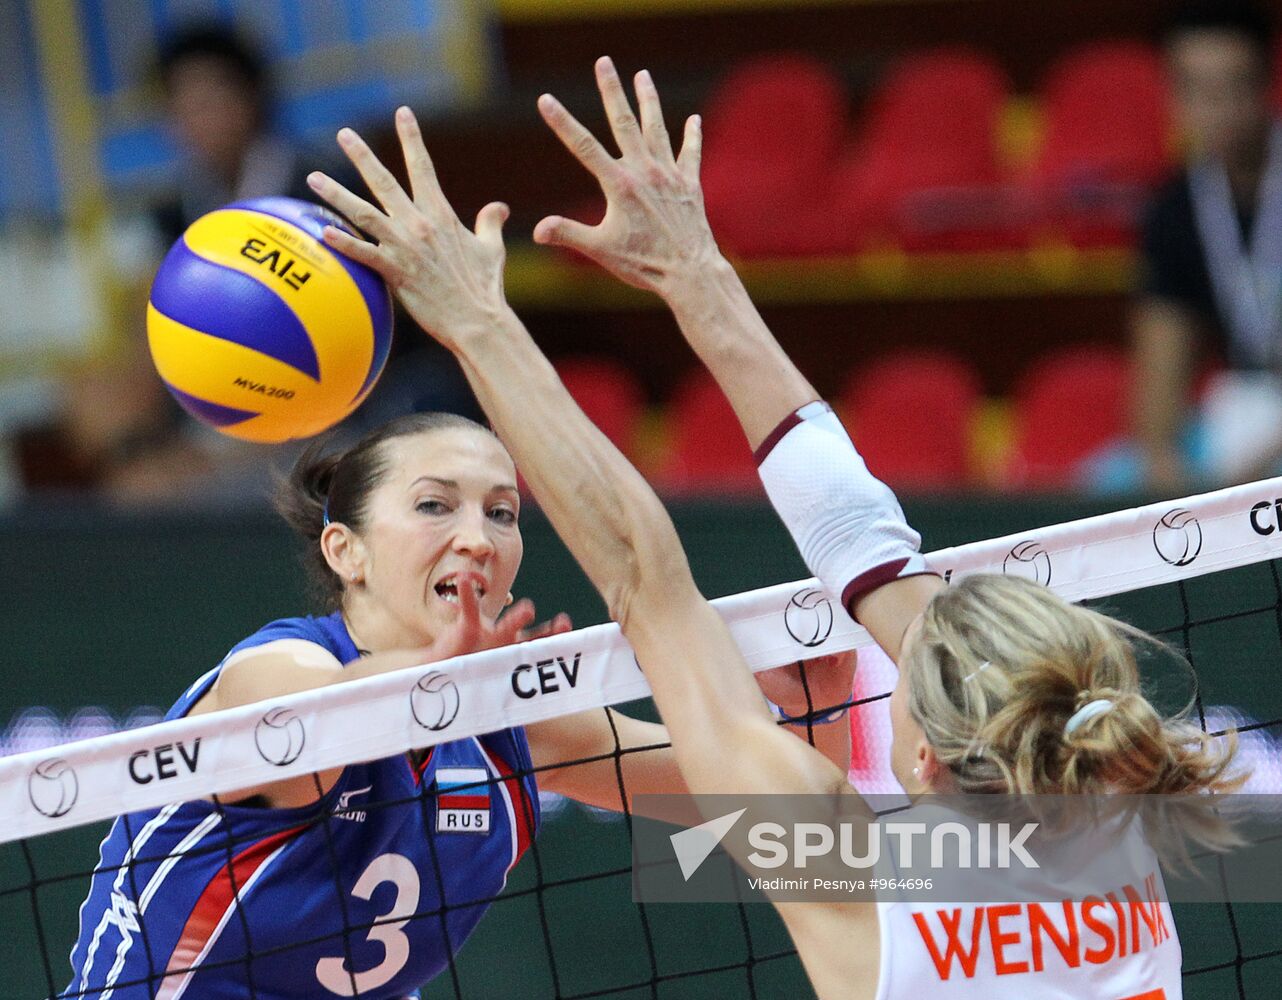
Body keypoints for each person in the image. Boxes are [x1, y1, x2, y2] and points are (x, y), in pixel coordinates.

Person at [305, 58, 1242, 998]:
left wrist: (482, 321)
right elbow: (868, 552)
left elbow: (658, 574)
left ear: (922, 758)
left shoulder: (859, 871)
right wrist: (690, 280)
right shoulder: (1112, 813)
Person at [65, 409, 854, 997]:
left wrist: (814, 713)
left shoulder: (517, 720)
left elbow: (796, 830)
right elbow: (315, 718)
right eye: (435, 505)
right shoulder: (279, 672)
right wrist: (425, 676)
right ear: (348, 551)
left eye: (501, 512)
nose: (478, 537)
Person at [1124, 0, 1282, 492]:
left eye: (1235, 87)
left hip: (1269, 444)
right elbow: (1159, 376)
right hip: (1244, 412)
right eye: (1199, 91)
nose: (1220, 109)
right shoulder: (1175, 211)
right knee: (1111, 478)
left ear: (1265, 86)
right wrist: (1163, 467)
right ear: (1175, 97)